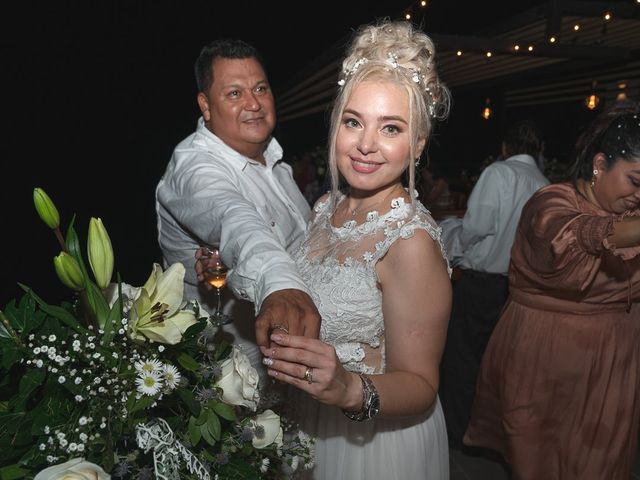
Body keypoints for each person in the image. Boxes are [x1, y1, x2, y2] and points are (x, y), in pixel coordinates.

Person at [259, 20, 453, 479]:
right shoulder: (327, 206)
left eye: (390, 128)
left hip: (374, 445)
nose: (366, 145)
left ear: (418, 144)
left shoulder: (410, 242)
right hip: (307, 422)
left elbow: (422, 385)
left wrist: (348, 389)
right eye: (354, 122)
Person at [464, 100, 640, 479]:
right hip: (544, 361)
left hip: (616, 360)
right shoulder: (551, 200)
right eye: (636, 181)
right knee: (541, 464)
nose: (639, 194)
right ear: (598, 165)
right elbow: (573, 236)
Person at [155, 38, 321, 380]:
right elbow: (236, 218)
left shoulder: (275, 162)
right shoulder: (194, 168)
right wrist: (278, 284)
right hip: (233, 379)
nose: (254, 103)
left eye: (260, 88)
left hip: (298, 363)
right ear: (205, 105)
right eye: (234, 93)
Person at [438, 120, 550, 449]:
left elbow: (477, 228)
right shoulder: (544, 183)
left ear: (505, 148)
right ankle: (487, 433)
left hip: (479, 284)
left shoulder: (499, 173)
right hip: (515, 287)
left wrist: (452, 243)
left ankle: (457, 435)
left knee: (460, 360)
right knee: (495, 364)